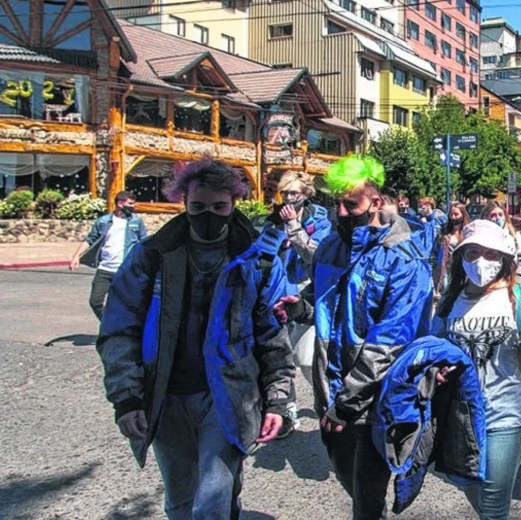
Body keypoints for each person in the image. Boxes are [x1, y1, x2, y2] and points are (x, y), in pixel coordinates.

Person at [96, 158, 295, 518]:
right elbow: (119, 329)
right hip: (166, 396)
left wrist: (279, 402)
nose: (209, 215)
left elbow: (273, 336)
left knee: (213, 500)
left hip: (229, 398)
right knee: (181, 499)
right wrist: (126, 398)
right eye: (198, 206)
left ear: (234, 203)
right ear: (183, 202)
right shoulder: (151, 255)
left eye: (219, 207)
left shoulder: (258, 261)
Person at [278, 155, 433, 519]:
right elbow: (322, 298)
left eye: (352, 204)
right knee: (346, 477)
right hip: (329, 392)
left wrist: (348, 403)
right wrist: (299, 307)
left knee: (366, 497)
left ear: (375, 203)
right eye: (338, 203)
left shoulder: (403, 257)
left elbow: (390, 340)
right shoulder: (331, 246)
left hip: (375, 400)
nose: (343, 213)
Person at [431, 220, 521, 520]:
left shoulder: (518, 299)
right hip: (461, 416)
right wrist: (435, 372)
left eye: (490, 253)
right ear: (461, 257)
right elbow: (434, 349)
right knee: (473, 490)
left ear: (504, 259)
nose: (480, 261)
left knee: (494, 505)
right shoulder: (449, 302)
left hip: (505, 416)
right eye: (472, 252)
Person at [264, 170, 332, 439]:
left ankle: (328, 397)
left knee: (304, 359)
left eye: (294, 193)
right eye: (285, 193)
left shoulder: (321, 221)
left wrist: (294, 227)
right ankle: (288, 413)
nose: (289, 199)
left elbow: (317, 256)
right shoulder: (273, 219)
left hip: (307, 294)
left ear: (306, 195)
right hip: (276, 292)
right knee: (280, 356)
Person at [68, 190, 147, 320]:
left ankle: (126, 332)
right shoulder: (103, 221)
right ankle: (108, 325)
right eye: (130, 203)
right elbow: (90, 240)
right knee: (95, 302)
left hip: (125, 269)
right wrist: (76, 256)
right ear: (120, 203)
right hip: (105, 269)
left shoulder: (136, 221)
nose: (133, 206)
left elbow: (143, 242)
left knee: (128, 303)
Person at [480, 200, 521, 280]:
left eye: (500, 214)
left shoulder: (513, 234)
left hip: (511, 281)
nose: (497, 218)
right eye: (493, 215)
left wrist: (519, 281)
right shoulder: (480, 235)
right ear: (486, 217)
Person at [437, 202, 471, 294]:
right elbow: (435, 251)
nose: (453, 217)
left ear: (463, 215)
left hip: (462, 269)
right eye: (451, 214)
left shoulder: (468, 231)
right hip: (447, 269)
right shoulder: (444, 230)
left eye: (456, 214)